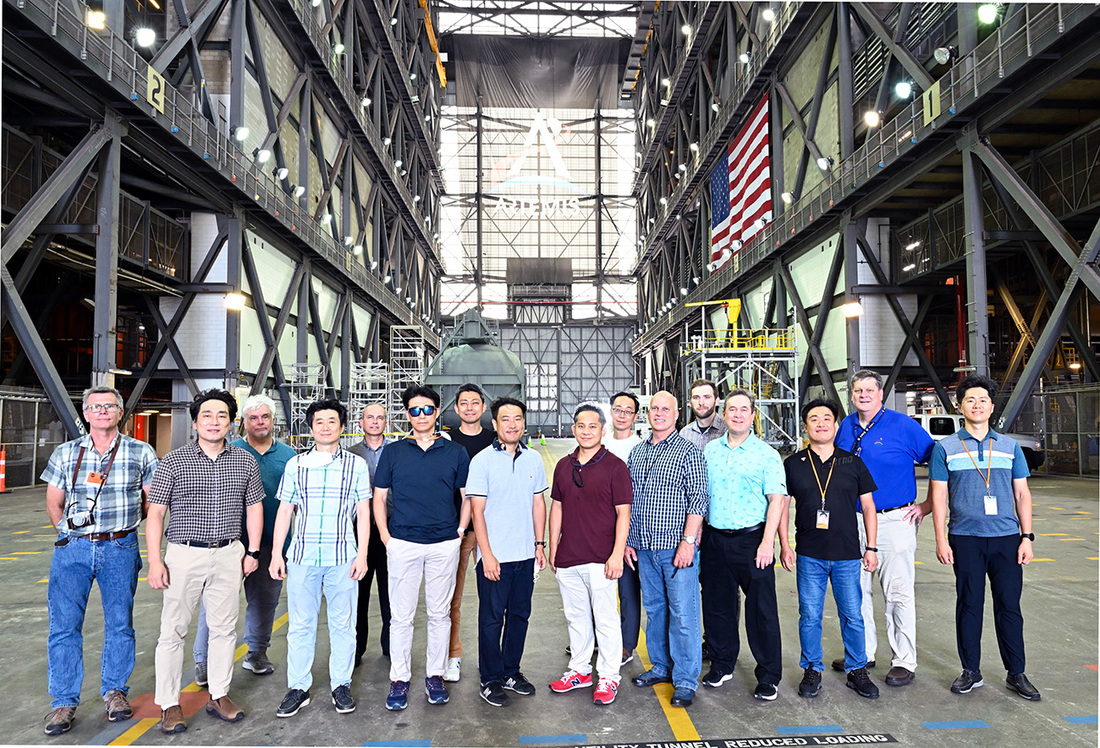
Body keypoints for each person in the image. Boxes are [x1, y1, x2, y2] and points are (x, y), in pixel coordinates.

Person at [40, 386, 158, 736]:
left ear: (120, 413)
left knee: (120, 623)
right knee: (63, 627)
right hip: (73, 549)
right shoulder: (66, 453)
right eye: (96, 407)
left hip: (120, 548)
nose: (103, 411)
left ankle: (115, 692)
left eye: (110, 406)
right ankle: (63, 702)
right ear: (86, 413)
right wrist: (69, 533)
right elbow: (53, 503)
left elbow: (152, 504)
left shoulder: (141, 452)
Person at [146, 389, 265, 733]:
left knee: (225, 628)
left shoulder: (244, 461)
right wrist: (156, 561)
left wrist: (252, 551)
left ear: (231, 423)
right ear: (195, 421)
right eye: (207, 416)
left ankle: (219, 694)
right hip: (184, 554)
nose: (214, 422)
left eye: (222, 416)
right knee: (173, 630)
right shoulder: (173, 461)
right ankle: (169, 704)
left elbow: (254, 507)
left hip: (229, 553)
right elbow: (155, 514)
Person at [930, 375, 1040, 701]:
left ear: (992, 407)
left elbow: (1022, 495)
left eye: (983, 400)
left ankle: (1016, 672)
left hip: (1007, 538)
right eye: (970, 400)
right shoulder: (945, 448)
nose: (976, 405)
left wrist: (1027, 537)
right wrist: (940, 540)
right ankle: (971, 671)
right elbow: (937, 497)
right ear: (959, 406)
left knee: (1009, 606)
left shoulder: (1009, 448)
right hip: (965, 538)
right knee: (969, 605)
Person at [270, 398, 372, 718]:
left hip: (343, 556)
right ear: (311, 428)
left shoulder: (356, 465)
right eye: (319, 422)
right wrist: (276, 553)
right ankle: (298, 687)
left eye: (332, 421)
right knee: (301, 625)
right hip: (302, 556)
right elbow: (285, 511)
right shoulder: (295, 465)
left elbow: (364, 513)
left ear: (342, 427)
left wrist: (363, 555)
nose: (325, 427)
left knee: (343, 624)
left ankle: (340, 684)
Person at [831, 370, 934, 686]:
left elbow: (940, 463)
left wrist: (928, 505)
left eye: (868, 390)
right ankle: (862, 653)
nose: (862, 395)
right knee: (856, 590)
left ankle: (904, 660)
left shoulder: (903, 426)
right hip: (854, 520)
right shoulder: (845, 427)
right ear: (851, 395)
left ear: (880, 394)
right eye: (857, 390)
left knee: (897, 590)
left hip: (893, 520)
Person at [372, 385, 471, 711]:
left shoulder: (455, 452)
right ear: (407, 415)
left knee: (439, 614)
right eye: (414, 410)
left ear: (437, 413)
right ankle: (399, 678)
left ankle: (435, 675)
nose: (421, 416)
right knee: (401, 617)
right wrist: (386, 536)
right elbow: (380, 496)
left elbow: (466, 495)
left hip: (444, 543)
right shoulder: (395, 452)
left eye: (427, 409)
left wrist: (458, 531)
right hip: (403, 543)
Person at [782, 399, 880, 700]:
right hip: (809, 554)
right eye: (814, 419)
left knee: (852, 614)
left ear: (836, 426)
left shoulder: (852, 462)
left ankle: (856, 670)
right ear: (805, 426)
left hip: (848, 554)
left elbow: (868, 507)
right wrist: (784, 544)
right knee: (809, 615)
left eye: (827, 418)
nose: (821, 423)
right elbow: (783, 506)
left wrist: (871, 547)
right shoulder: (793, 464)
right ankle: (812, 668)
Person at [193, 394, 295, 684]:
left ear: (273, 422)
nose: (259, 423)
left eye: (265, 417)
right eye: (253, 418)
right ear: (243, 422)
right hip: (229, 542)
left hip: (272, 543)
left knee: (264, 601)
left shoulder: (289, 457)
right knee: (213, 602)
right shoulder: (230, 452)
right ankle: (203, 659)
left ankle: (256, 653)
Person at [700, 389, 787, 701]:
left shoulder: (767, 455)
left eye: (743, 410)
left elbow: (777, 501)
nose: (737, 414)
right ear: (724, 415)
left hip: (753, 540)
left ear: (753, 416)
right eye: (731, 409)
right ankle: (723, 664)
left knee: (761, 610)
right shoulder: (709, 452)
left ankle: (768, 675)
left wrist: (768, 543)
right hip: (714, 539)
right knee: (717, 606)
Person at [626, 391, 709, 708]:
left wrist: (688, 542)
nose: (659, 413)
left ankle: (686, 679)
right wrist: (629, 541)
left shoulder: (688, 451)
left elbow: (699, 499)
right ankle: (661, 667)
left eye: (666, 408)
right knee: (656, 611)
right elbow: (631, 501)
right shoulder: (637, 453)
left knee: (684, 615)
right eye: (654, 408)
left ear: (677, 414)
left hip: (676, 549)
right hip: (644, 549)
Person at [467, 397, 548, 707]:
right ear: (495, 424)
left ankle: (511, 671)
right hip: (495, 558)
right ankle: (490, 679)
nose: (512, 424)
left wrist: (539, 545)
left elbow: (538, 503)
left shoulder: (533, 459)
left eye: (517, 419)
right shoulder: (482, 461)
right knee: (491, 620)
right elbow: (477, 511)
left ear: (523, 423)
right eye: (506, 419)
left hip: (525, 556)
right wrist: (486, 554)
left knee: (519, 616)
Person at [548, 404, 632, 706]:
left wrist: (616, 554)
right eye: (581, 426)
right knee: (576, 617)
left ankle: (609, 676)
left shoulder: (615, 467)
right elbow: (556, 506)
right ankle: (580, 670)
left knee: (606, 619)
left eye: (592, 426)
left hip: (601, 558)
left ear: (602, 430)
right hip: (569, 556)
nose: (586, 431)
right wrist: (553, 546)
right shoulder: (563, 465)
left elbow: (624, 513)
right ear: (574, 430)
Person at [442, 383, 497, 682]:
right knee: (454, 598)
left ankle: (490, 658)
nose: (469, 408)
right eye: (464, 403)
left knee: (493, 598)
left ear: (483, 408)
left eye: (475, 403)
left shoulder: (495, 440)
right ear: (456, 408)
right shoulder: (447, 441)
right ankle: (453, 656)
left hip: (491, 530)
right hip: (459, 530)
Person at [347, 403, 394, 665]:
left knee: (391, 595)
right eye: (370, 418)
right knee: (359, 595)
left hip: (391, 531)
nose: (375, 422)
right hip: (359, 534)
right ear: (360, 422)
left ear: (386, 423)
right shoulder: (350, 455)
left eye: (380, 418)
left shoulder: (397, 452)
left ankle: (390, 646)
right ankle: (356, 649)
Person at [603, 392, 642, 666]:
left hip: (627, 530)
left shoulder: (639, 448)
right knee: (598, 589)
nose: (622, 415)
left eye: (628, 411)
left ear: (635, 417)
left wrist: (629, 536)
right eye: (618, 409)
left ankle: (627, 645)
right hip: (598, 529)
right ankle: (598, 639)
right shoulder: (599, 443)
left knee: (627, 591)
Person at [679, 379, 726, 451]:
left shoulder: (727, 430)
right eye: (696, 398)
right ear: (690, 403)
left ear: (717, 401)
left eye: (707, 397)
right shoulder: (685, 434)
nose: (701, 403)